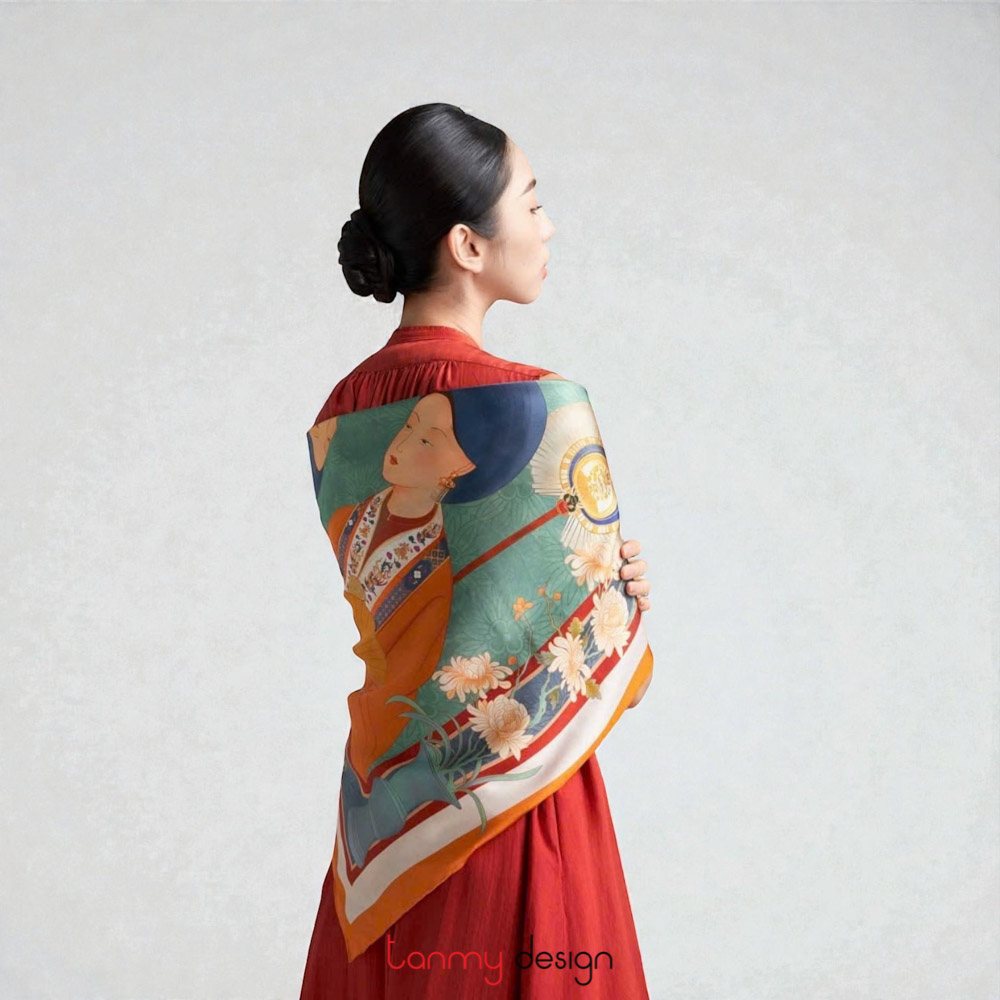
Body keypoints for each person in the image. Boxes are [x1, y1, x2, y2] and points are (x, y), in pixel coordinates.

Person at [300, 103, 653, 999]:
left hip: (383, 821)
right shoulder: (542, 408)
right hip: (518, 806)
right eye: (531, 203)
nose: (547, 226)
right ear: (467, 243)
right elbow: (595, 649)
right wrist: (620, 600)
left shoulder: (337, 420)